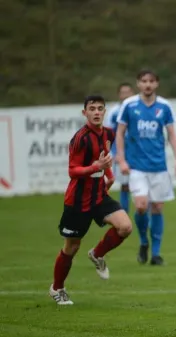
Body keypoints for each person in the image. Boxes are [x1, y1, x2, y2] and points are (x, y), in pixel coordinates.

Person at [50, 95, 133, 305]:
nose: (96, 112)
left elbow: (105, 159)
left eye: (100, 108)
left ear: (105, 112)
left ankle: (97, 254)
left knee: (125, 227)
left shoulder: (109, 133)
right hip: (77, 201)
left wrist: (110, 176)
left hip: (99, 196)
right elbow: (72, 170)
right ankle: (57, 288)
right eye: (92, 109)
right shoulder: (80, 138)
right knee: (71, 247)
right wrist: (95, 167)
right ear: (84, 113)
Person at [115, 69, 176, 266]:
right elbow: (119, 133)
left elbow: (171, 134)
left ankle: (155, 253)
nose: (147, 84)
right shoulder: (129, 105)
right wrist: (121, 159)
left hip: (159, 166)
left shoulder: (164, 106)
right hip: (137, 166)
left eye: (151, 81)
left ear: (157, 84)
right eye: (144, 81)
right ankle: (144, 241)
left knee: (157, 207)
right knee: (141, 205)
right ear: (138, 83)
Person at [104, 82, 136, 213]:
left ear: (132, 93)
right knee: (125, 186)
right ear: (119, 95)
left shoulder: (138, 108)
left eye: (128, 92)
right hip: (123, 155)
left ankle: (145, 215)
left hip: (139, 154)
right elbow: (109, 135)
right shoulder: (114, 112)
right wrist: (114, 153)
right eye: (123, 92)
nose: (126, 95)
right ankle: (125, 214)